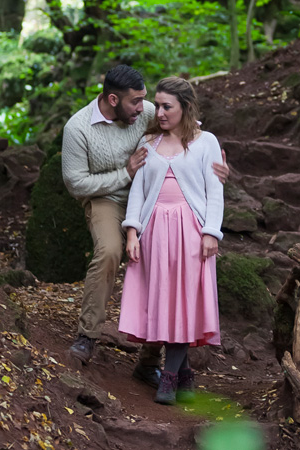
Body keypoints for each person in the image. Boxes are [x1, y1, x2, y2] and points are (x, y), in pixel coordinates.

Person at [61, 65, 228, 388]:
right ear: (113, 99)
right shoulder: (78, 128)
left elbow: (187, 130)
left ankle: (150, 361)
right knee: (110, 250)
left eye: (145, 101)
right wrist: (125, 174)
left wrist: (216, 165)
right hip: (106, 197)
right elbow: (77, 183)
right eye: (136, 102)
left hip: (153, 198)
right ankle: (88, 335)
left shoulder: (149, 109)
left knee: (163, 268)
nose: (144, 108)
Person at [118, 76, 223, 405]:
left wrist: (211, 232)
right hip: (155, 233)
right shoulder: (149, 143)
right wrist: (132, 233)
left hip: (191, 232)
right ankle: (185, 375)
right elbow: (138, 192)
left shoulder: (205, 142)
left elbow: (215, 192)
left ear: (185, 108)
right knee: (165, 302)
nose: (160, 112)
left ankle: (170, 377)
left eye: (167, 106)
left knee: (184, 302)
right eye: (158, 106)